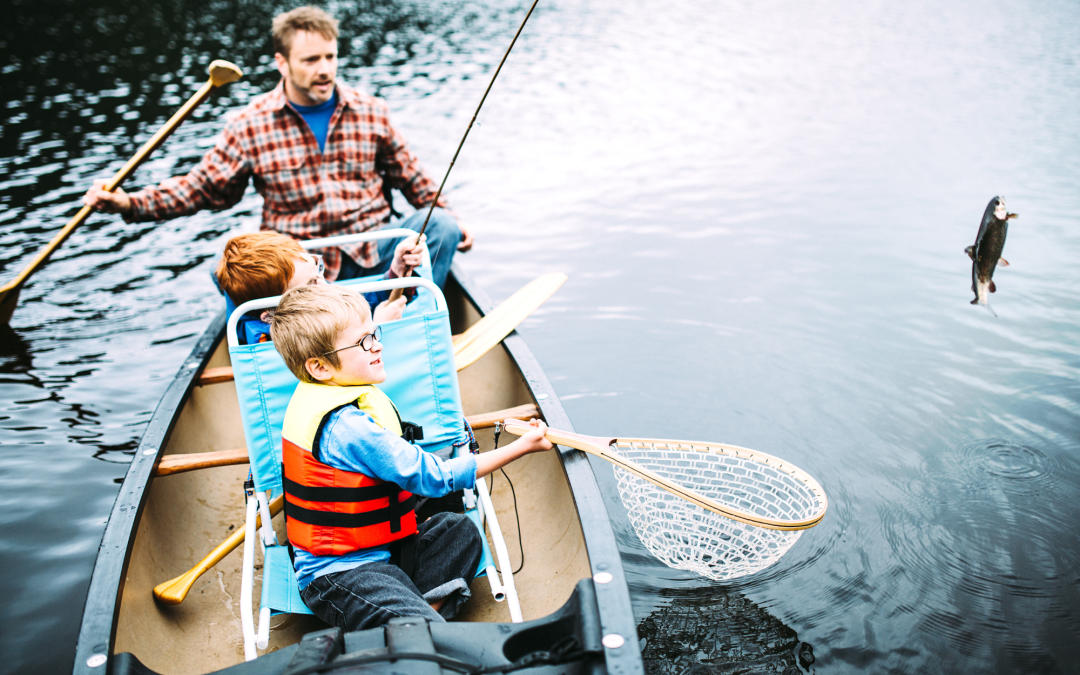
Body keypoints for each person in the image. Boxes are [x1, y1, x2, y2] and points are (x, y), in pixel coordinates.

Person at [81, 6, 472, 289]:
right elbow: (202, 188)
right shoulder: (249, 123)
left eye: (331, 57)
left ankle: (406, 311)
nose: (325, 69)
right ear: (282, 63)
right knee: (225, 273)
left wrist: (452, 219)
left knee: (439, 225)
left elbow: (412, 177)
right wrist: (129, 204)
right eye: (311, 59)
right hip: (300, 269)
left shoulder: (371, 110)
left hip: (375, 252)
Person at [269, 284, 552, 630]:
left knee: (459, 529)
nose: (378, 345)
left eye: (374, 333)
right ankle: (419, 621)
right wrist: (521, 446)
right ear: (320, 367)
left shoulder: (325, 391)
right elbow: (433, 478)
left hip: (388, 553)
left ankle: (416, 615)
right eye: (364, 342)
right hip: (340, 575)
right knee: (418, 622)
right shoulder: (347, 426)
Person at [216, 230, 423, 344]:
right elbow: (339, 371)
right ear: (271, 315)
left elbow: (357, 301)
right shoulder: (281, 346)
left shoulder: (316, 290)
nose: (323, 283)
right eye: (311, 284)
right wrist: (377, 329)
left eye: (318, 266)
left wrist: (396, 271)